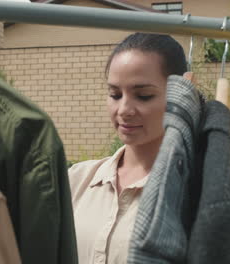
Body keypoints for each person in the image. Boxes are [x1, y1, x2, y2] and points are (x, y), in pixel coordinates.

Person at [68, 33, 188, 264]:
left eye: (143, 96)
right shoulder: (76, 180)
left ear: (179, 95)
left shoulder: (192, 189)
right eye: (115, 94)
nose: (124, 109)